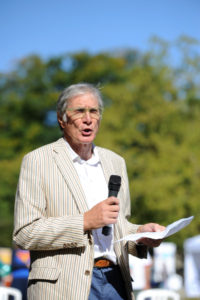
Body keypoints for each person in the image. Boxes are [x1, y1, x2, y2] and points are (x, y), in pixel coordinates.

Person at [13, 83, 165, 300]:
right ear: (61, 119)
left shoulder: (116, 162)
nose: (88, 118)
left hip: (116, 281)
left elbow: (118, 228)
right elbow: (25, 233)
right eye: (79, 111)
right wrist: (85, 221)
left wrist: (142, 234)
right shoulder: (38, 161)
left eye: (94, 111)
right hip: (63, 287)